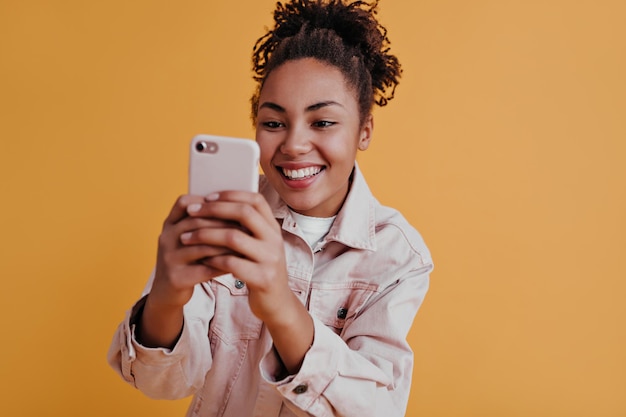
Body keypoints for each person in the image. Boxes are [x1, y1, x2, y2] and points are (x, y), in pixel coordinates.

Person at [107, 0, 433, 415]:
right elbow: (160, 383)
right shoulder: (226, 216)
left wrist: (281, 306)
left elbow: (376, 409)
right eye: (274, 122)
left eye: (323, 122)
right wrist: (167, 298)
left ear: (364, 130)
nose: (294, 144)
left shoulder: (397, 256)